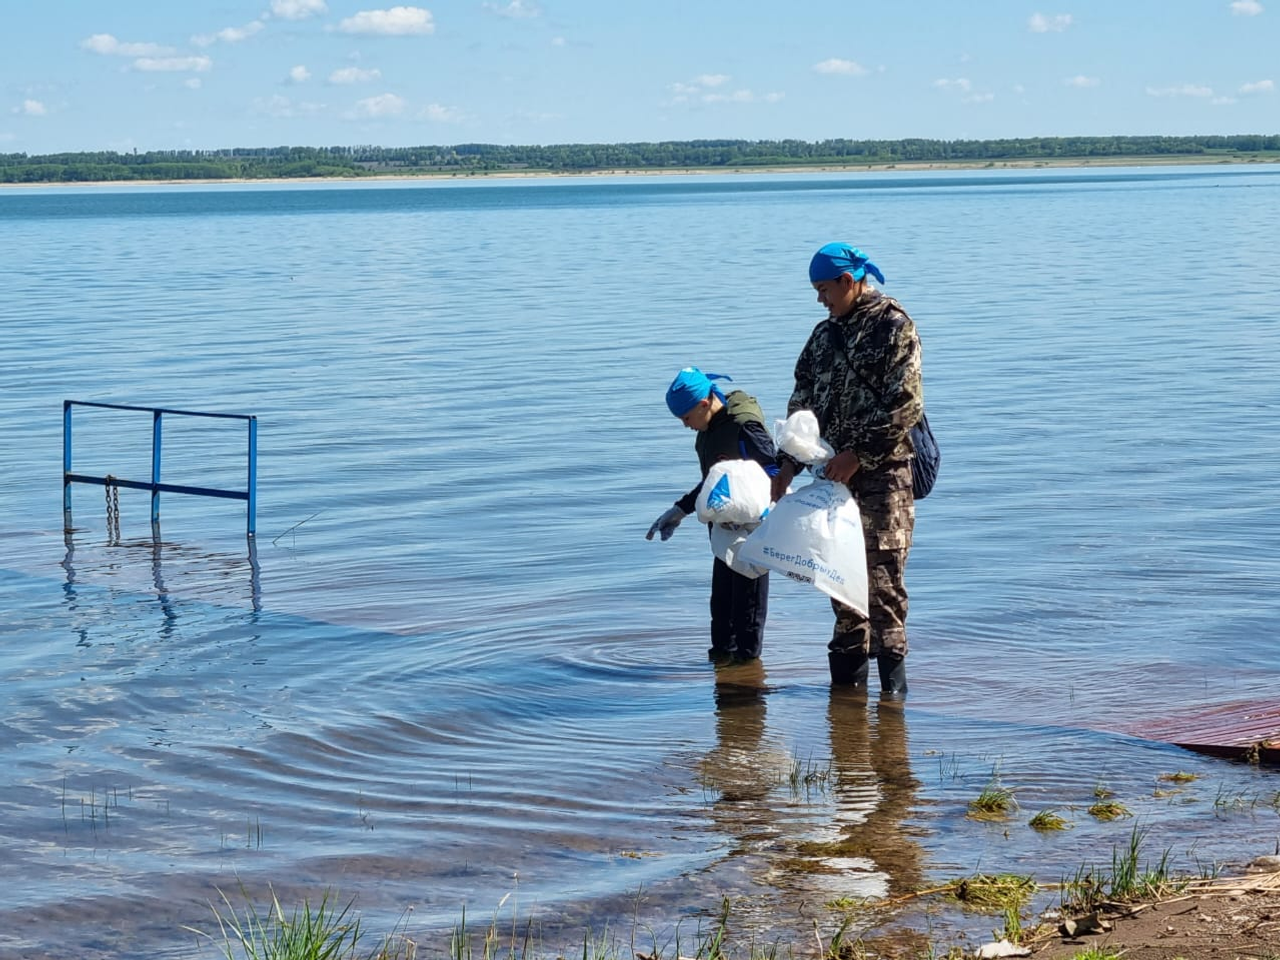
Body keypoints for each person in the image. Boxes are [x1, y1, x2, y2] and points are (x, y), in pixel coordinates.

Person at [771, 243, 923, 697]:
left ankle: (893, 707)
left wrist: (857, 454)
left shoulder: (894, 326)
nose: (821, 300)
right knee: (840, 584)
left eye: (824, 290)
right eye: (816, 291)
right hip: (834, 482)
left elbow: (906, 406)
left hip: (884, 478)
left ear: (848, 281)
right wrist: (788, 465)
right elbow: (803, 407)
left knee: (883, 587)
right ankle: (846, 707)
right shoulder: (823, 337)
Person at [647, 367, 778, 662]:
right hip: (723, 536)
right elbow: (711, 482)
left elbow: (774, 471)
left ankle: (747, 680)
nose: (685, 426)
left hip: (751, 536)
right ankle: (720, 675)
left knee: (746, 618)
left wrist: (751, 512)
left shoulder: (744, 426)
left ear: (704, 404)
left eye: (686, 418)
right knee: (721, 617)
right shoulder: (708, 430)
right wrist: (679, 510)